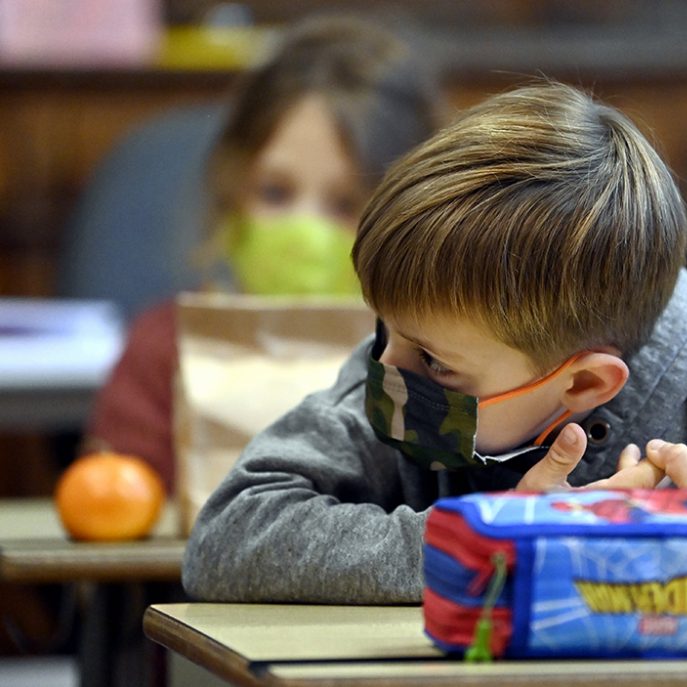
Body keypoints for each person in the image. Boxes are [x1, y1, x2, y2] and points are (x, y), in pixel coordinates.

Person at [182, 81, 687, 607]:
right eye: (382, 329)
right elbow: (229, 536)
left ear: (581, 387)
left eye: (434, 362)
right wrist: (484, 540)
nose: (384, 370)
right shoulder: (401, 382)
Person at [82, 15, 443, 492]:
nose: (305, 230)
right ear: (232, 189)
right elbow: (114, 511)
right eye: (275, 193)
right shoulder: (167, 349)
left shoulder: (448, 364)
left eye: (346, 204)